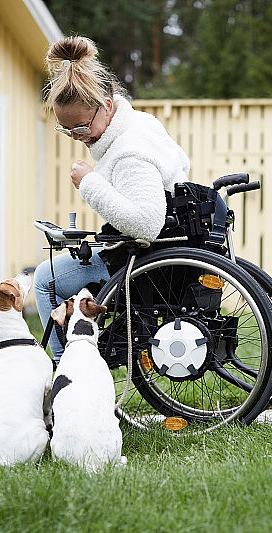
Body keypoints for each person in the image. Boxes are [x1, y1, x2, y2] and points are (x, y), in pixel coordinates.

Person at [34, 35, 190, 363]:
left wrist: (88, 183)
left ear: (106, 104)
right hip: (169, 249)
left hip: (145, 262)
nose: (78, 137)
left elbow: (146, 225)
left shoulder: (128, 151)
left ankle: (69, 372)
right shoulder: (144, 123)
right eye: (68, 130)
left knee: (45, 278)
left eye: (81, 126)